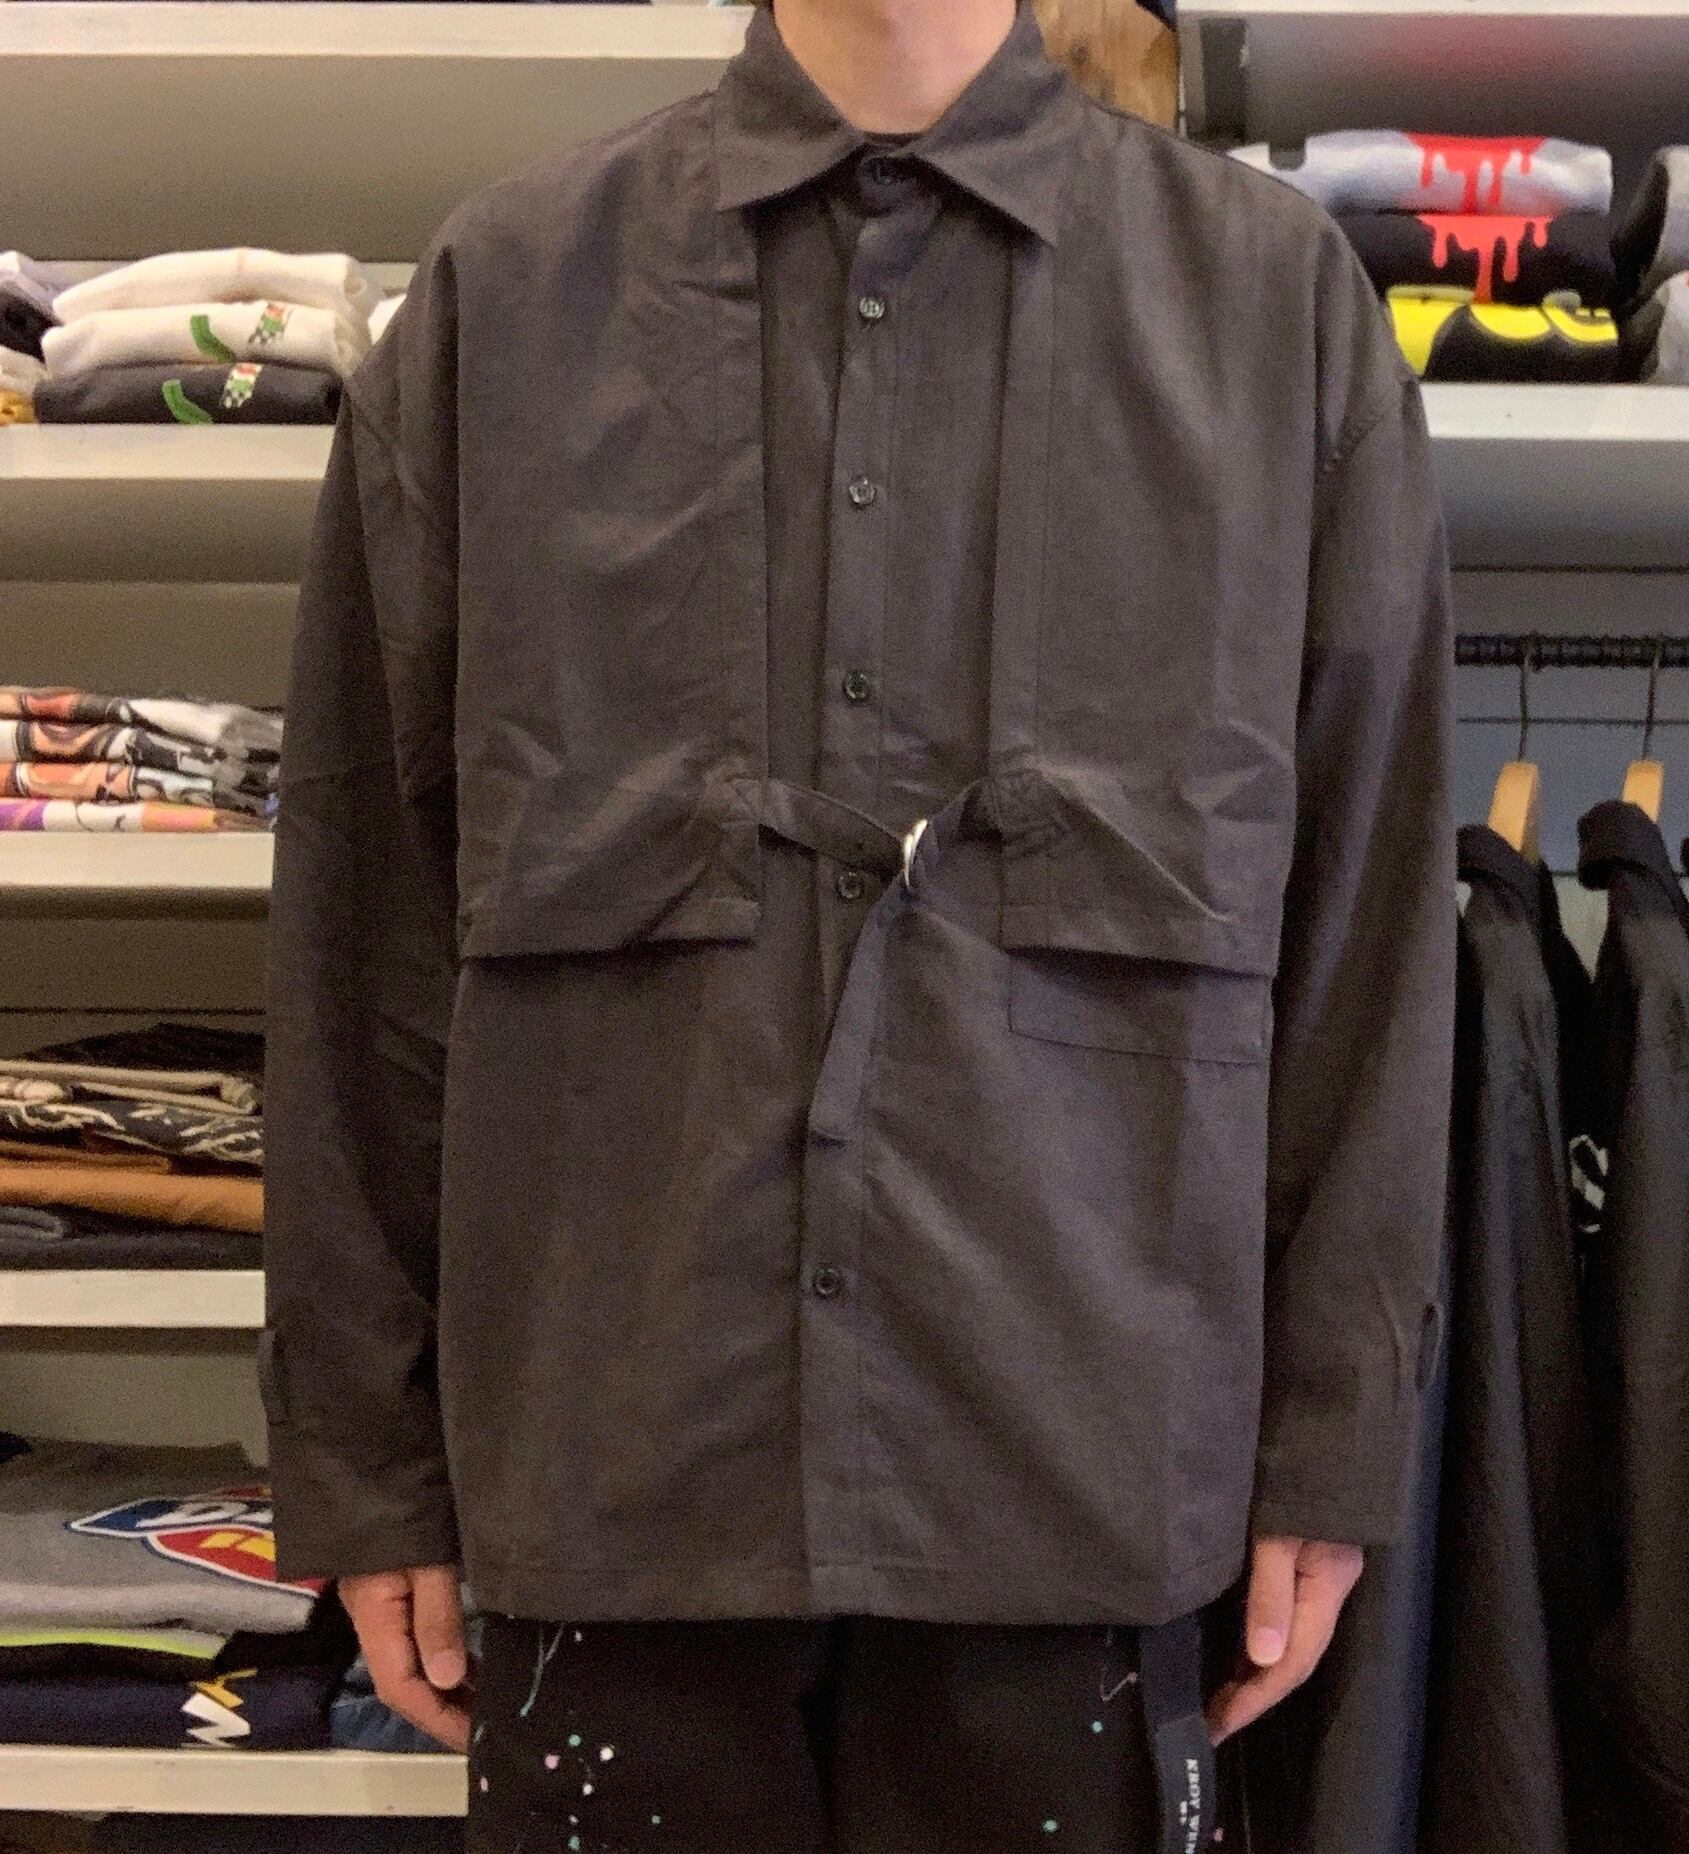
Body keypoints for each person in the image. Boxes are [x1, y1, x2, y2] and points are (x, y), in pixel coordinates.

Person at [262, 0, 1453, 1847]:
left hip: (1081, 1479)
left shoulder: (1271, 307)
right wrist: (368, 1452)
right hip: (616, 1476)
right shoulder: (507, 299)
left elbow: (1371, 917)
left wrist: (1335, 1432)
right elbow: (366, 920)